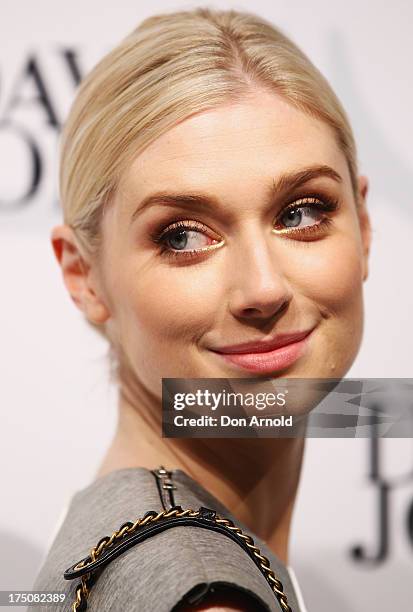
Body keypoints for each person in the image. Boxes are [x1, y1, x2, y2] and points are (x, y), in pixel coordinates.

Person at [32, 6, 371, 611]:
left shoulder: (123, 530)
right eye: (182, 235)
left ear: (364, 225)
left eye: (301, 212)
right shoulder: (204, 593)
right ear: (84, 275)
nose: (263, 289)